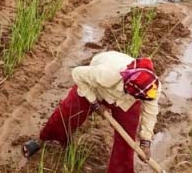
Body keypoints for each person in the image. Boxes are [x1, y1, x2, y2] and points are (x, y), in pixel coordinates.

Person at [23, 51, 160, 173]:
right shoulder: (107, 74)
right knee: (67, 113)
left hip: (125, 101)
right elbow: (77, 73)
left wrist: (145, 142)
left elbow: (150, 112)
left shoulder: (152, 88)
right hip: (94, 88)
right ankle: (42, 139)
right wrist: (94, 103)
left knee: (127, 138)